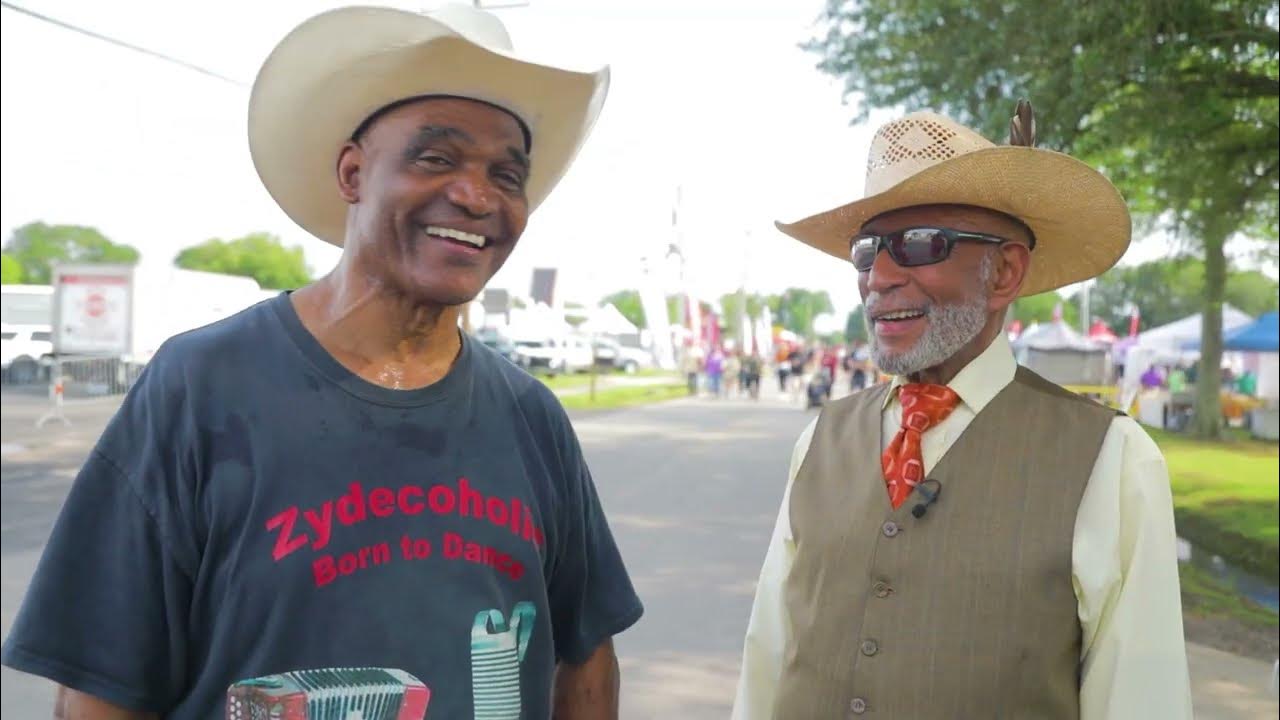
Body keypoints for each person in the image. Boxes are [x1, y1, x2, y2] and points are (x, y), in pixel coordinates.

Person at [1, 6, 642, 719]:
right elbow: (100, 690)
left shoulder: (530, 416)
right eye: (436, 157)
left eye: (507, 174)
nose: (476, 195)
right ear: (352, 172)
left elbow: (586, 657)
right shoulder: (203, 385)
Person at [733, 103, 1190, 719]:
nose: (879, 278)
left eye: (920, 245)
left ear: (1003, 271)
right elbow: (767, 660)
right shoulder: (822, 438)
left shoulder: (1111, 458)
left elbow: (1141, 699)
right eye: (868, 251)